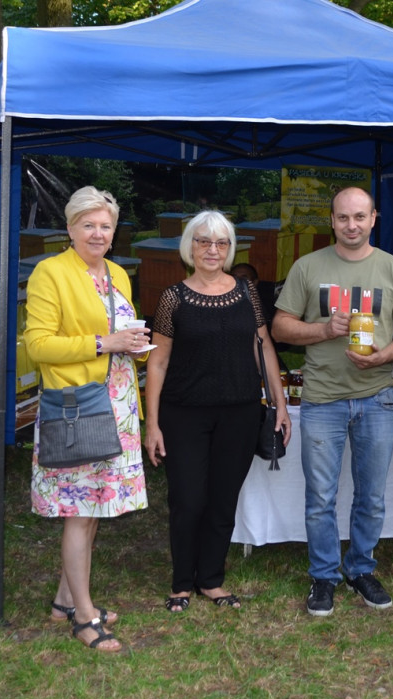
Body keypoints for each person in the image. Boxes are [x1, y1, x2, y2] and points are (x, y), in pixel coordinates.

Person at [272, 186, 393, 617]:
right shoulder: (308, 267)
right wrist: (323, 330)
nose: (351, 225)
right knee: (321, 496)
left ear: (374, 218)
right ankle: (323, 576)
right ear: (331, 221)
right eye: (342, 218)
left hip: (376, 398)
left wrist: (387, 356)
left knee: (371, 495)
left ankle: (360, 569)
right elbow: (281, 327)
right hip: (322, 400)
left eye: (359, 217)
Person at [144, 212, 291, 613]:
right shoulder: (173, 297)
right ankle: (181, 583)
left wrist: (279, 404)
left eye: (221, 243)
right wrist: (151, 422)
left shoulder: (246, 292)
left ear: (230, 249)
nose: (212, 249)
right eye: (204, 241)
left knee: (224, 499)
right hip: (183, 414)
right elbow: (157, 362)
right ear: (190, 246)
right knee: (188, 499)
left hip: (240, 413)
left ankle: (211, 579)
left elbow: (263, 347)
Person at [24, 186, 149, 653]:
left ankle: (63, 599)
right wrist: (105, 343)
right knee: (80, 512)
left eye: (106, 226)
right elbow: (38, 344)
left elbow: (119, 333)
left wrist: (132, 344)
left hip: (117, 403)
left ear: (114, 233)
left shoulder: (118, 272)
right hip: (78, 407)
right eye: (88, 225)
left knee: (95, 509)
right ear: (71, 228)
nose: (98, 233)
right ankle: (83, 614)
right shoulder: (50, 272)